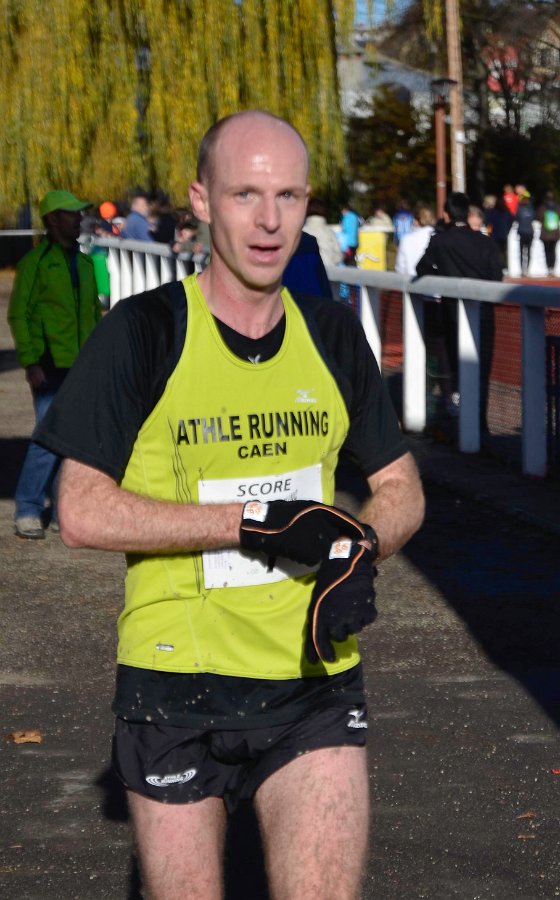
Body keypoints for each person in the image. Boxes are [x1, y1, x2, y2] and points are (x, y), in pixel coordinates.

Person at [35, 110, 424, 899]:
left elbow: (401, 489)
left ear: (307, 203)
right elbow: (80, 510)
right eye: (245, 194)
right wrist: (251, 524)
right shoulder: (143, 332)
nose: (269, 220)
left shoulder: (332, 334)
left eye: (287, 196)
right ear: (201, 200)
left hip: (314, 678)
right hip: (174, 686)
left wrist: (359, 545)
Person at [7, 189, 102, 539]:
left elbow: (93, 314)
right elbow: (19, 315)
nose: (79, 218)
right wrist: (30, 361)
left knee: (72, 441)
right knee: (47, 439)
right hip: (49, 365)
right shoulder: (35, 263)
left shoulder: (86, 263)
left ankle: (64, 510)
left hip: (81, 366)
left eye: (80, 213)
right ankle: (28, 510)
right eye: (72, 213)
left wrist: (98, 359)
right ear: (53, 219)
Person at [416, 191, 503, 433]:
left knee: (457, 369)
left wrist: (443, 273)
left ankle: (464, 427)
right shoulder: (486, 242)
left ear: (446, 215)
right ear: (467, 213)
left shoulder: (440, 241)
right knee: (481, 370)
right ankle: (480, 427)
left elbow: (421, 269)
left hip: (452, 315)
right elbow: (496, 278)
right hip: (484, 313)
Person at [395, 205, 436, 276]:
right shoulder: (437, 237)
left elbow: (400, 267)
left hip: (410, 279)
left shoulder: (406, 239)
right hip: (433, 279)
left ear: (415, 220)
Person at [302, 196, 343, 268]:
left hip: (306, 271)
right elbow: (339, 256)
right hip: (329, 271)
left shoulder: (301, 233)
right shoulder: (330, 232)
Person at [536, 191, 560, 276]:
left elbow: (539, 218)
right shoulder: (557, 207)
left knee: (547, 251)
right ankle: (552, 268)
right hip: (555, 233)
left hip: (545, 233)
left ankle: (549, 268)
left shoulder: (542, 208)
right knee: (553, 251)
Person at [514, 190, 535, 276]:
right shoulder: (520, 208)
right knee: (522, 252)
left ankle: (527, 269)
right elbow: (516, 218)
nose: (526, 200)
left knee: (528, 252)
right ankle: (522, 270)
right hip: (523, 232)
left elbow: (533, 217)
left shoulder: (530, 208)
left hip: (529, 232)